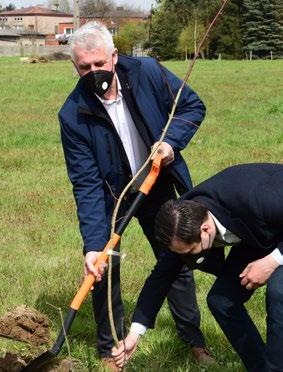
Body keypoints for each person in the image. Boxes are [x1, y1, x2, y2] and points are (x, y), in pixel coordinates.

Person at [58, 22, 213, 370]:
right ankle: (109, 348)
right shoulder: (73, 114)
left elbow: (192, 106)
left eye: (99, 63)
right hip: (112, 193)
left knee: (175, 258)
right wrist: (93, 245)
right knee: (103, 266)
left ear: (114, 56)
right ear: (75, 67)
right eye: (84, 67)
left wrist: (171, 144)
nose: (93, 72)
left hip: (156, 184)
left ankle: (194, 340)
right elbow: (85, 183)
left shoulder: (148, 73)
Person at [113, 163, 283, 371]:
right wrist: (134, 335)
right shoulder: (179, 225)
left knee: (278, 293)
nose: (185, 258)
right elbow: (161, 278)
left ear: (205, 229)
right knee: (221, 301)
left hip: (272, 218)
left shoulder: (259, 196)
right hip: (257, 231)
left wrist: (271, 261)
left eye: (190, 251)